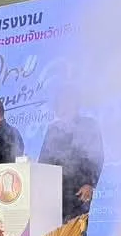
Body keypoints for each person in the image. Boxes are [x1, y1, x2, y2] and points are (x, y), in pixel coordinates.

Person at [38, 85, 104, 228]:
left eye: (69, 101)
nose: (65, 106)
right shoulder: (53, 128)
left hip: (79, 190)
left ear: (76, 104)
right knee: (55, 234)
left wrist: (90, 184)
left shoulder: (89, 125)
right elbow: (44, 159)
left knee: (76, 233)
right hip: (55, 191)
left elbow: (97, 156)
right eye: (61, 102)